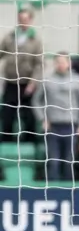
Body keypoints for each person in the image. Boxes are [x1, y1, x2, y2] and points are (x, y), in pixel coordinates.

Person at [32, 53, 79, 181]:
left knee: (69, 161)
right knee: (54, 161)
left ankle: (69, 192)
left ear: (69, 63)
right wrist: (42, 118)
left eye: (63, 62)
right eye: (58, 62)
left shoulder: (77, 80)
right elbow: (36, 101)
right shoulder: (47, 80)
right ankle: (53, 191)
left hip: (71, 126)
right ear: (54, 63)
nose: (61, 64)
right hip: (53, 126)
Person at [0, 8, 42, 143]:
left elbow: (39, 64)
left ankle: (29, 142)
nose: (22, 22)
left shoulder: (35, 40)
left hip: (26, 83)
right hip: (11, 82)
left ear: (30, 20)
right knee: (7, 114)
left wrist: (33, 82)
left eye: (25, 19)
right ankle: (6, 141)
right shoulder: (10, 37)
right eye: (20, 19)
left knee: (28, 115)